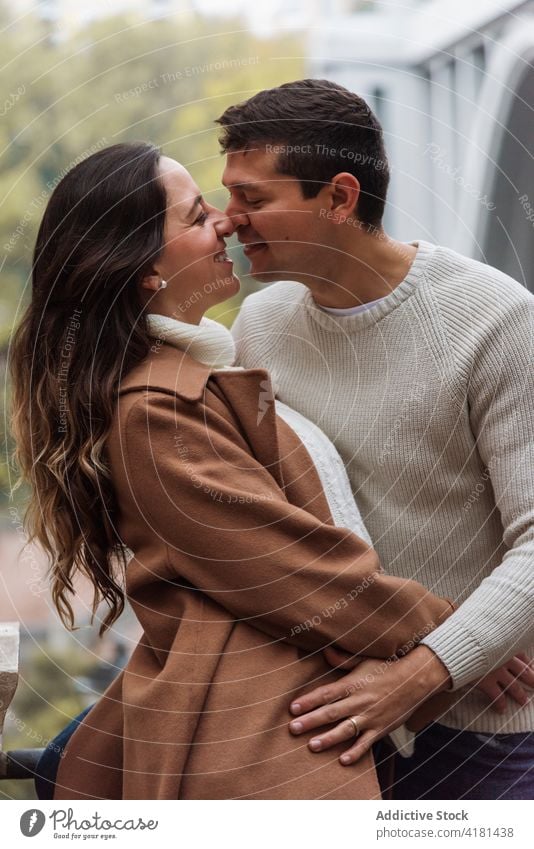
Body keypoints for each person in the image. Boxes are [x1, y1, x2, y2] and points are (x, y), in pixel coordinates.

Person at [10, 141, 463, 800]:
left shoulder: (191, 381)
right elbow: (297, 571)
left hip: (273, 721)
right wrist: (459, 639)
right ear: (145, 270)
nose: (223, 221)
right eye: (196, 217)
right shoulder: (156, 412)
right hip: (260, 748)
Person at [219, 78, 534, 799]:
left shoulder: (498, 321)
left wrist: (430, 666)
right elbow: (253, 525)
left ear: (338, 197)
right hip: (324, 726)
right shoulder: (257, 330)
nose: (229, 220)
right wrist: (433, 632)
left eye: (254, 199)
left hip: (489, 734)